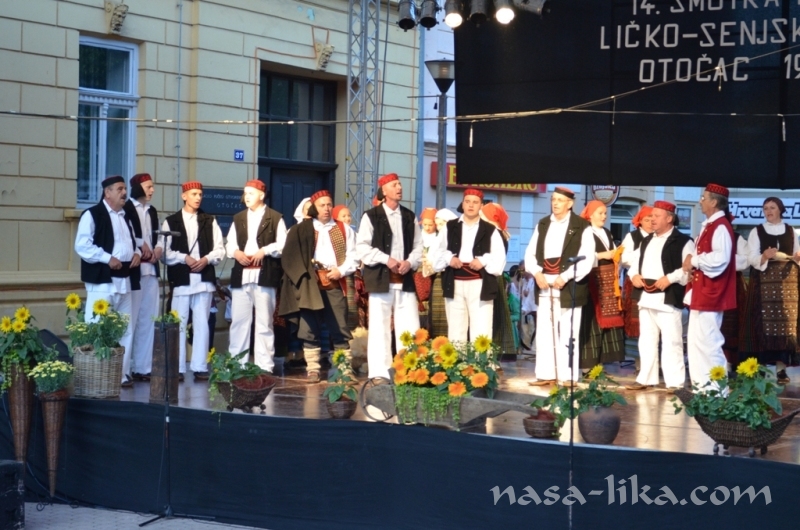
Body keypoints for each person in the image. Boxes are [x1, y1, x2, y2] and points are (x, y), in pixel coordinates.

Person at [279, 190, 357, 382]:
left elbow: (354, 256)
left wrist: (341, 270)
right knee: (309, 327)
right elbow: (289, 256)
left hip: (333, 282)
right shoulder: (301, 229)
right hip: (309, 284)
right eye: (322, 205)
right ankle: (313, 368)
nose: (326, 208)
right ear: (314, 207)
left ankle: (344, 369)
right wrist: (304, 275)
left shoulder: (343, 229)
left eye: (329, 204)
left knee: (340, 326)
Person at [74, 175, 140, 386]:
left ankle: (121, 375)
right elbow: (82, 245)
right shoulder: (92, 214)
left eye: (124, 189)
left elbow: (131, 242)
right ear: (107, 192)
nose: (124, 193)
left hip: (125, 280)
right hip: (103, 281)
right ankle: (97, 376)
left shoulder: (125, 216)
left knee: (125, 329)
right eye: (119, 189)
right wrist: (106, 258)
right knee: (98, 327)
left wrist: (137, 253)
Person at [525, 186, 595, 386]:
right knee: (545, 331)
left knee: (569, 332)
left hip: (569, 286)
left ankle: (568, 376)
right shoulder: (543, 224)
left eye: (560, 200)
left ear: (570, 203)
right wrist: (537, 272)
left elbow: (587, 259)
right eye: (553, 199)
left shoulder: (582, 226)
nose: (555, 203)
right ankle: (545, 374)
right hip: (545, 283)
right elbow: (530, 254)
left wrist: (565, 276)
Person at [355, 173, 423, 379]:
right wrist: (386, 259)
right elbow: (362, 247)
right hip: (380, 279)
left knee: (410, 327)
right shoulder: (371, 216)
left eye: (400, 184)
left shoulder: (409, 216)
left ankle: (409, 371)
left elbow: (419, 247)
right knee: (379, 328)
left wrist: (409, 262)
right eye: (394, 185)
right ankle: (380, 374)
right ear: (384, 191)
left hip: (405, 280)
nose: (399, 188)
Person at [626, 201, 694, 392]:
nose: (652, 219)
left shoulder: (684, 241)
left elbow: (688, 270)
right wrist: (634, 275)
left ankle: (675, 382)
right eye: (651, 216)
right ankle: (646, 378)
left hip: (668, 298)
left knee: (672, 341)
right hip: (646, 297)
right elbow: (634, 264)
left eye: (656, 216)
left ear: (669, 218)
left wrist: (670, 278)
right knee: (646, 340)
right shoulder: (646, 240)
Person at [162, 181, 225, 381]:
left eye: (200, 194)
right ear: (184, 196)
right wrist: (184, 258)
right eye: (194, 194)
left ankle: (199, 366)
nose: (198, 198)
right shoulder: (171, 221)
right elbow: (164, 252)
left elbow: (220, 249)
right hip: (181, 279)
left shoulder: (209, 220)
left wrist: (206, 259)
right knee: (179, 323)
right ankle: (178, 367)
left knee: (202, 323)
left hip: (204, 279)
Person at [225, 180, 286, 373]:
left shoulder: (275, 218)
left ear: (261, 195)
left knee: (264, 322)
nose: (247, 197)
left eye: (251, 193)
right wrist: (236, 253)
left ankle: (264, 366)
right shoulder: (239, 218)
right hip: (242, 275)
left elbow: (282, 244)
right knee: (239, 322)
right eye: (245, 193)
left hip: (264, 275)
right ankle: (237, 364)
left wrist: (264, 250)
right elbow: (230, 243)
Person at [432, 190, 506, 344]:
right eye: (467, 201)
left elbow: (500, 258)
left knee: (481, 328)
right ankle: (457, 359)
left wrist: (483, 260)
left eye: (475, 202)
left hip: (480, 283)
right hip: (454, 282)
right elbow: (435, 252)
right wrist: (449, 258)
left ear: (481, 205)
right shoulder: (450, 227)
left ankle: (481, 359)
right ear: (463, 203)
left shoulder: (490, 230)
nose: (471, 205)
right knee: (456, 329)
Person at [740, 197, 800, 383]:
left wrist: (797, 257)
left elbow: (796, 254)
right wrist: (764, 256)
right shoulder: (756, 231)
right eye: (765, 208)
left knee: (786, 325)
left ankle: (782, 369)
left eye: (772, 207)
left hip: (787, 284)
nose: (768, 211)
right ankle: (760, 367)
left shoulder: (791, 231)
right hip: (763, 283)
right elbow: (751, 258)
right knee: (762, 323)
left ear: (780, 210)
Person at [682, 183, 737, 388]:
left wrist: (694, 261)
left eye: (703, 198)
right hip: (703, 291)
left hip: (711, 293)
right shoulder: (712, 225)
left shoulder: (720, 226)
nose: (700, 201)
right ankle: (702, 388)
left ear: (714, 202)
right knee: (697, 342)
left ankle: (716, 390)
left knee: (709, 342)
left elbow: (720, 259)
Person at [122, 173, 162, 383]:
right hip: (135, 271)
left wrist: (159, 248)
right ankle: (125, 368)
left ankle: (143, 366)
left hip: (151, 270)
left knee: (148, 318)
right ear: (138, 187)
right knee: (131, 320)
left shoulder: (152, 211)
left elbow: (158, 235)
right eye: (148, 186)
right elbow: (126, 235)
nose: (152, 190)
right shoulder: (127, 208)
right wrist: (140, 243)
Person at [578, 200, 626, 369]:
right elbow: (582, 255)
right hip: (592, 281)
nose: (604, 216)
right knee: (591, 321)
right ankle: (587, 365)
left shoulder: (607, 232)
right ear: (590, 215)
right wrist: (602, 255)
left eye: (605, 213)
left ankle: (600, 364)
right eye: (600, 213)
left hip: (608, 282)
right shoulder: (585, 232)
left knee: (606, 322)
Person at [480, 202, 516, 354]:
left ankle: (492, 352)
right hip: (496, 277)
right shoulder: (502, 234)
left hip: (491, 276)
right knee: (496, 316)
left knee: (492, 316)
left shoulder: (494, 234)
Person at [620, 205, 654, 338]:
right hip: (635, 280)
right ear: (640, 221)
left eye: (652, 220)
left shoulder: (658, 236)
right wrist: (641, 253)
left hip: (653, 281)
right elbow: (623, 259)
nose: (650, 223)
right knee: (635, 316)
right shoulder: (632, 237)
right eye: (646, 220)